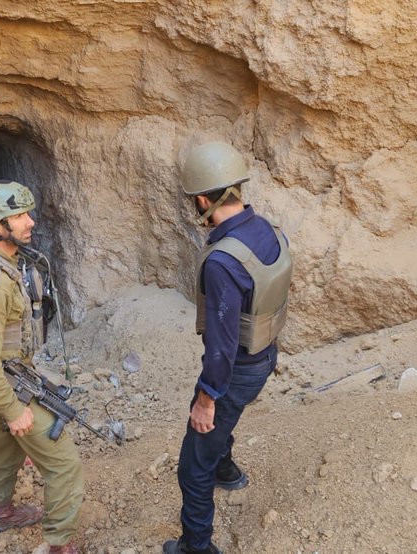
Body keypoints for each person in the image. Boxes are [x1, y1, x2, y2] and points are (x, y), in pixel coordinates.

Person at [163, 142, 293, 554]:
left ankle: (197, 546)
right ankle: (227, 471)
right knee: (227, 416)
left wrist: (206, 398)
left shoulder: (223, 261)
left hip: (237, 368)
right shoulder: (267, 231)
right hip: (265, 354)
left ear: (203, 200)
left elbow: (221, 346)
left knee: (193, 464)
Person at [0, 179, 83, 554]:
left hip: (10, 374)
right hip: (3, 381)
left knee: (3, 440)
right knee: (64, 464)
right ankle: (60, 544)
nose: (31, 222)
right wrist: (12, 408)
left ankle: (0, 512)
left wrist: (5, 410)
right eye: (21, 215)